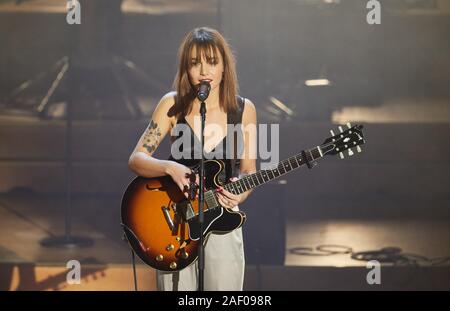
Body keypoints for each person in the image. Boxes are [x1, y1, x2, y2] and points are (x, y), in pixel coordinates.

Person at [128, 27, 257, 291]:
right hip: (177, 225)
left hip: (223, 219)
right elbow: (137, 158)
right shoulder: (171, 105)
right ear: (185, 69)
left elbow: (248, 171)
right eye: (194, 63)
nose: (204, 71)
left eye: (212, 62)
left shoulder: (244, 110)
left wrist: (239, 195)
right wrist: (170, 167)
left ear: (224, 67)